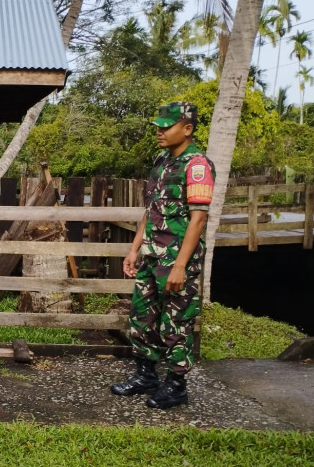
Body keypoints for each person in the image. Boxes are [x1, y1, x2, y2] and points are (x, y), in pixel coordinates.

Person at [111, 101, 215, 409]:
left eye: (166, 127)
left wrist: (180, 265)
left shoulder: (197, 165)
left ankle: (176, 386)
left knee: (176, 322)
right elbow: (151, 210)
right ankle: (146, 375)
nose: (159, 132)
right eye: (158, 127)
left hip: (176, 259)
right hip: (151, 256)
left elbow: (198, 218)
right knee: (142, 316)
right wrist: (134, 249)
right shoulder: (161, 161)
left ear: (187, 129)